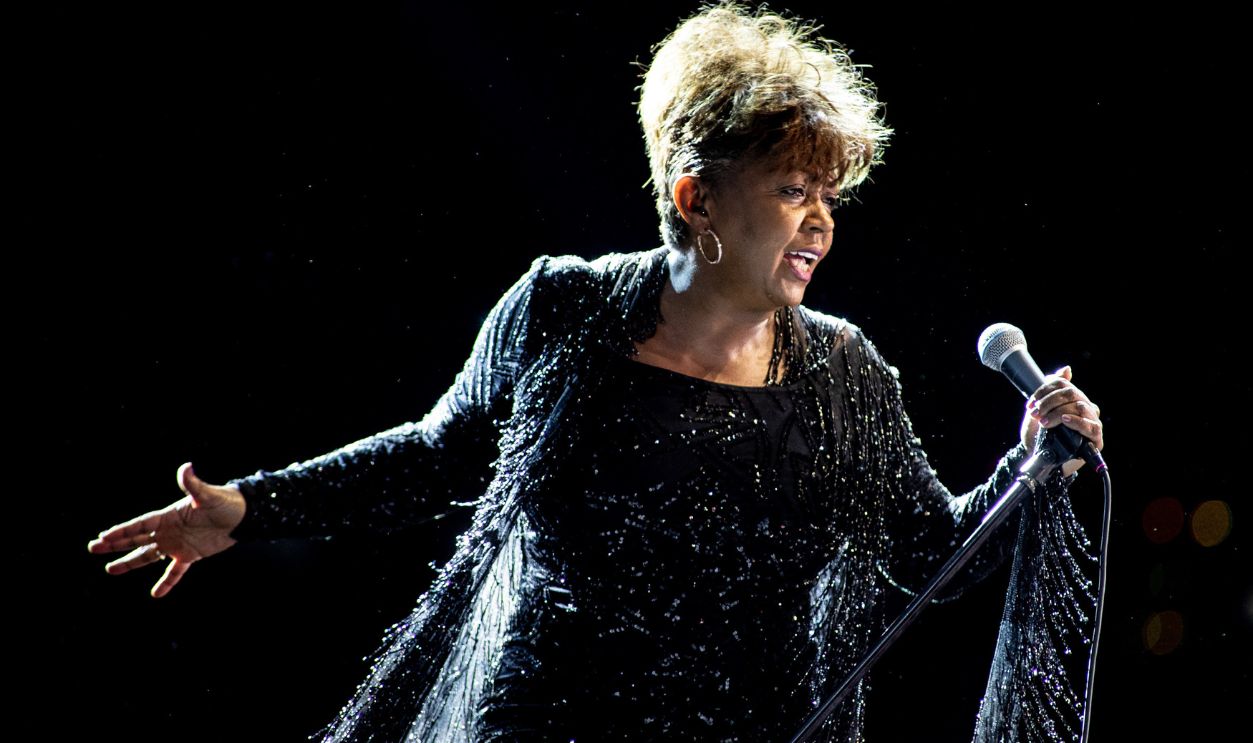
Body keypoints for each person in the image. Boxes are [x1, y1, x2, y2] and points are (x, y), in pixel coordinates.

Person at [88, 3, 1105, 741]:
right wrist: (249, 507)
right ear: (695, 196)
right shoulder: (561, 307)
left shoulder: (845, 372)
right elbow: (437, 453)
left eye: (828, 195)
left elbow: (933, 553)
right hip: (545, 719)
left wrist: (1031, 468)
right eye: (791, 188)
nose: (818, 220)